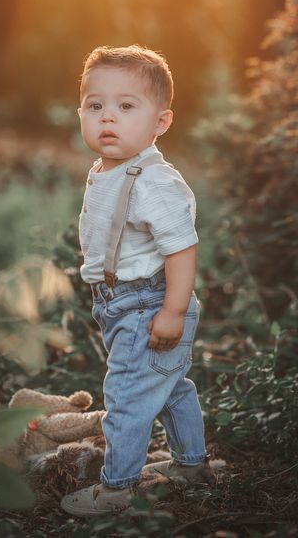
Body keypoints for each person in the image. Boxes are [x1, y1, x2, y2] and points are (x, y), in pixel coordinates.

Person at [61, 45, 211, 516]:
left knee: (127, 398)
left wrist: (171, 311)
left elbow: (181, 248)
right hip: (124, 303)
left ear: (160, 122)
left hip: (149, 304)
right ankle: (191, 465)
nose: (108, 118)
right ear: (81, 112)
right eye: (96, 105)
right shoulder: (110, 168)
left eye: (127, 107)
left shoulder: (153, 180)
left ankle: (117, 490)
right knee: (171, 387)